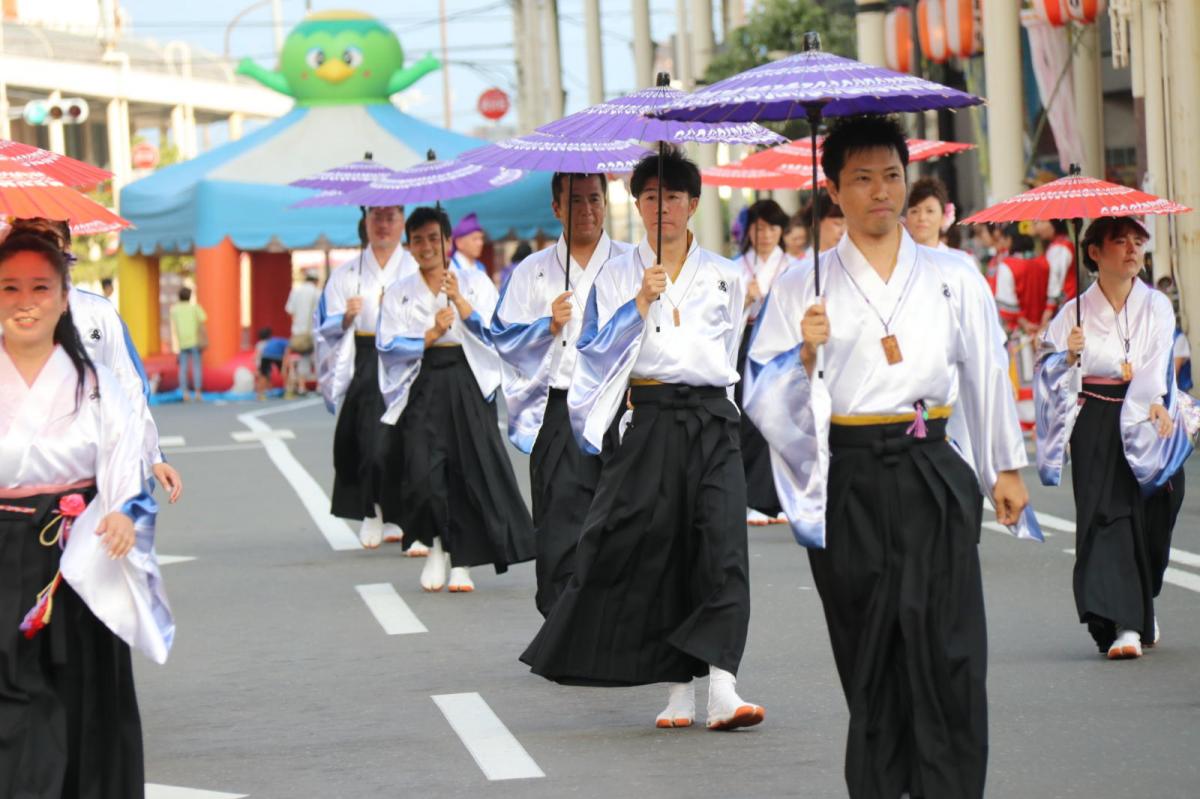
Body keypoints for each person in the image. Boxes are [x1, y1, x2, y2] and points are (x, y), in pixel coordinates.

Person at [744, 115, 1034, 798]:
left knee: (950, 647)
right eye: (863, 178)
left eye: (893, 176)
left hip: (930, 463)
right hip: (849, 474)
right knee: (871, 649)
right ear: (832, 190)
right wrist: (803, 352)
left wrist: (1004, 466)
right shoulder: (801, 285)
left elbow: (985, 369)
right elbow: (761, 395)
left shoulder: (953, 274)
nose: (881, 191)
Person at [521, 148, 764, 732]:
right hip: (648, 416)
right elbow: (592, 352)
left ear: (693, 204)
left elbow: (730, 351)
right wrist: (638, 304)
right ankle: (678, 687)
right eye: (651, 197)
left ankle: (724, 685)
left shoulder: (726, 275)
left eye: (673, 197)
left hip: (711, 416)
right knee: (660, 550)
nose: (662, 209)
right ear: (636, 204)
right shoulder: (618, 274)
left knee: (723, 543)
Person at [0, 231, 173, 797]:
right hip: (3, 548)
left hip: (79, 550)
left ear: (63, 297)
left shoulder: (95, 384)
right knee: (13, 692)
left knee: (87, 692)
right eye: (9, 288)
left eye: (40, 288)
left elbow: (122, 462)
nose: (25, 303)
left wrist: (122, 512)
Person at [1035, 216, 1191, 659]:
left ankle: (1142, 602)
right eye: (1120, 242)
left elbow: (1160, 360)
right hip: (1097, 418)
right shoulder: (1074, 313)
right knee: (1108, 518)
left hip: (1149, 414)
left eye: (1137, 241)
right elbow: (1046, 370)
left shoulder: (1156, 304)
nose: (1132, 250)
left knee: (1157, 513)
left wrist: (1155, 401)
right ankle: (1125, 625)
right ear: (1094, 252)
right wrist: (1068, 355)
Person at [490, 172, 632, 616]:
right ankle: (561, 622)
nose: (586, 210)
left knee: (621, 519)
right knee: (559, 522)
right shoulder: (532, 270)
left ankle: (612, 621)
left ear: (605, 203)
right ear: (556, 208)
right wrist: (547, 326)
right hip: (559, 407)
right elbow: (504, 337)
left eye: (594, 199)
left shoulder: (631, 263)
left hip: (618, 407)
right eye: (574, 201)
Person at [377, 206, 536, 593]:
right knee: (423, 471)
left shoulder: (475, 282)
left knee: (468, 470)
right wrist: (429, 334)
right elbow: (388, 347)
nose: (427, 247)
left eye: (434, 238)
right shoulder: (398, 292)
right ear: (409, 247)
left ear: (448, 241)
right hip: (423, 381)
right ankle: (436, 545)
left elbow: (498, 332)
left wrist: (462, 304)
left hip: (467, 378)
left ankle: (462, 561)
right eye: (418, 240)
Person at [4, 217, 182, 505]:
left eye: (51, 246)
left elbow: (128, 387)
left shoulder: (98, 313)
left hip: (86, 471)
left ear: (67, 252)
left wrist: (151, 456)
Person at [315, 205, 418, 551]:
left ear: (402, 222)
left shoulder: (416, 266)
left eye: (391, 218)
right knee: (369, 442)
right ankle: (373, 509)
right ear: (366, 221)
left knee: (410, 441)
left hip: (410, 357)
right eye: (377, 217)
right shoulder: (346, 273)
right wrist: (345, 318)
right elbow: (323, 327)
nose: (383, 225)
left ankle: (405, 516)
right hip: (366, 356)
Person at [737, 199, 794, 525]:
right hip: (747, 345)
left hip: (782, 348)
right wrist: (744, 299)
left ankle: (780, 496)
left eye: (772, 228)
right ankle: (752, 496)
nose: (766, 235)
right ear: (749, 232)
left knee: (781, 418)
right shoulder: (736, 268)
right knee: (750, 418)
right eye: (759, 228)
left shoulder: (793, 267)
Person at [904, 176, 977, 270]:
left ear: (943, 216)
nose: (922, 217)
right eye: (914, 211)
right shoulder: (896, 261)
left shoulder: (961, 262)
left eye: (930, 211)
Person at [1035, 218, 1077, 329]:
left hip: (1062, 307)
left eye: (1042, 222)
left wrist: (1048, 311)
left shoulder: (1060, 247)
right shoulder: (1056, 245)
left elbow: (1055, 282)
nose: (1038, 227)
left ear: (1054, 224)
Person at [285, 271, 320, 397]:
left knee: (303, 358)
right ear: (316, 280)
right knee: (318, 358)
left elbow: (289, 310)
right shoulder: (317, 292)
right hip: (314, 330)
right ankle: (320, 386)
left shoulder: (296, 291)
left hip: (299, 332)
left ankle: (301, 386)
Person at [169, 286, 206, 402]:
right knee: (196, 367)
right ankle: (198, 393)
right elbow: (203, 321)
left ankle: (185, 393)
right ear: (190, 297)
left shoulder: (174, 310)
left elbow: (174, 327)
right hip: (194, 341)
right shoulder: (194, 308)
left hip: (182, 342)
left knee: (183, 369)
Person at [795, 189, 846, 269]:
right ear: (816, 223)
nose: (843, 231)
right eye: (837, 223)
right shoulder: (800, 266)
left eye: (848, 225)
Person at [254, 327, 288, 401]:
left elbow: (258, 354)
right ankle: (287, 391)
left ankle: (261, 394)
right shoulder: (280, 341)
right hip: (276, 356)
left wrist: (256, 364)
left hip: (265, 358)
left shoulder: (260, 343)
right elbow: (286, 353)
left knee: (264, 376)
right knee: (282, 373)